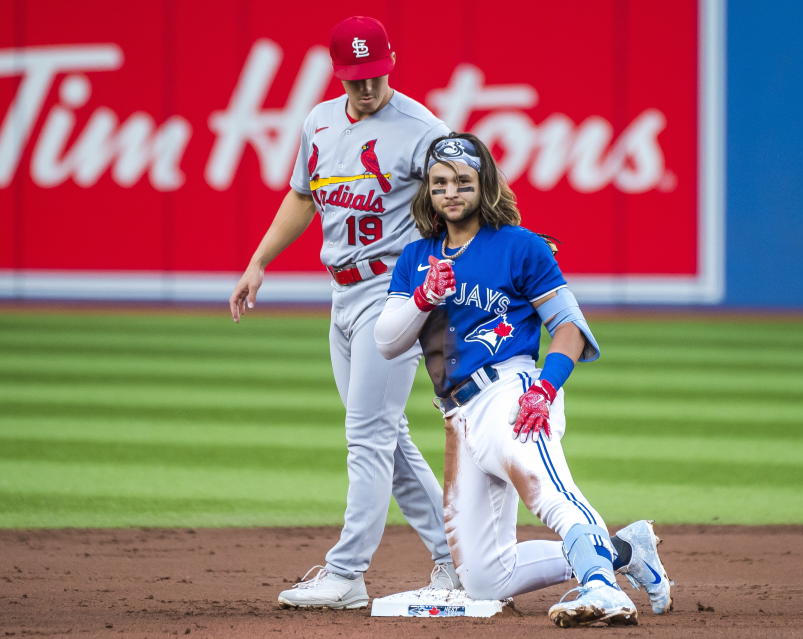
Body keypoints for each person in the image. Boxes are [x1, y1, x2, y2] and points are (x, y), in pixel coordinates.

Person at [373, 133, 672, 627]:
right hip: (459, 417)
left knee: (550, 494)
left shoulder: (521, 246)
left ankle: (603, 588)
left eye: (463, 181)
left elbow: (570, 329)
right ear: (428, 191)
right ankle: (624, 549)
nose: (451, 192)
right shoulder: (415, 259)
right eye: (440, 183)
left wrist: (545, 389)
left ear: (484, 184)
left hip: (511, 396)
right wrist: (423, 295)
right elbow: (387, 342)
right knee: (484, 578)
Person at [228, 16, 459, 609]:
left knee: (367, 437)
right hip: (342, 293)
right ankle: (454, 557)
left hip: (396, 295)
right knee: (390, 439)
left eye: (375, 75)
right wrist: (258, 261)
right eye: (356, 78)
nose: (367, 88)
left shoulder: (423, 129)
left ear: (392, 62)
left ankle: (347, 572)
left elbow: (465, 199)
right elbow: (303, 195)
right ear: (338, 75)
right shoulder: (320, 122)